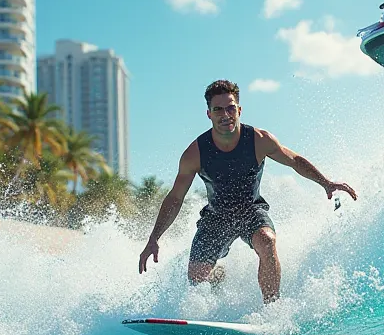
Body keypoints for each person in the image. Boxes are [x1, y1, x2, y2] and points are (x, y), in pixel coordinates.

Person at [138, 79, 358, 304]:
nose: (226, 115)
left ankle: (272, 308)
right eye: (218, 109)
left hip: (251, 211)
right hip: (216, 217)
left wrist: (326, 183)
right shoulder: (195, 153)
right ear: (209, 114)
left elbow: (294, 160)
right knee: (197, 277)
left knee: (267, 241)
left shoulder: (259, 140)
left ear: (239, 110)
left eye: (231, 108)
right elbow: (175, 198)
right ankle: (218, 277)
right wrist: (154, 238)